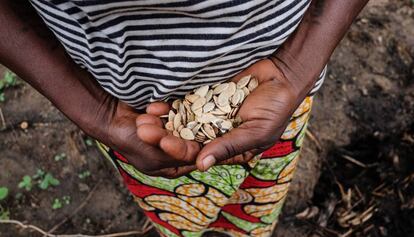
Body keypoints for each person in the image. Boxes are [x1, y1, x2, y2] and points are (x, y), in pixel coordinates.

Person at [0, 0, 369, 236]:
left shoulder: (288, 78)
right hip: (137, 122)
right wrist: (96, 111)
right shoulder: (118, 118)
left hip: (280, 96)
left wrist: (295, 65)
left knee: (260, 197)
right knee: (176, 210)